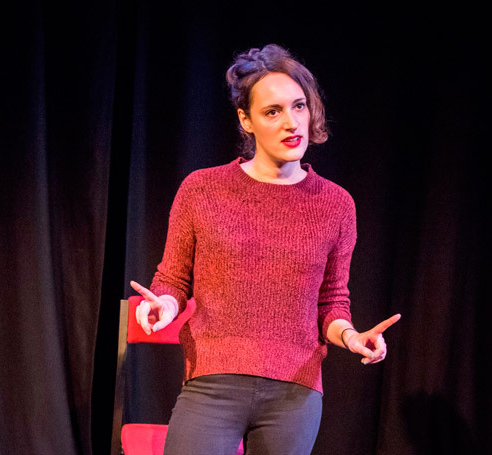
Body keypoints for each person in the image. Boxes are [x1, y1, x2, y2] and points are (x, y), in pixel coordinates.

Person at [130, 43, 400, 455]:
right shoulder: (202, 189)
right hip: (212, 384)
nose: (291, 123)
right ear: (246, 120)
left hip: (294, 392)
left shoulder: (336, 204)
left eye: (299, 107)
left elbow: (331, 302)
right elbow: (172, 278)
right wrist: (165, 305)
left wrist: (350, 336)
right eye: (272, 111)